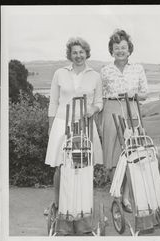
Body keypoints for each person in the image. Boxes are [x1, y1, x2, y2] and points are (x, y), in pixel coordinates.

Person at [45, 37, 103, 209]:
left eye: (81, 52)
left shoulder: (95, 76)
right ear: (70, 55)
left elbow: (99, 102)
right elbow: (53, 102)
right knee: (61, 165)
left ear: (87, 53)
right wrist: (50, 126)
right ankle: (57, 203)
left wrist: (93, 110)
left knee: (84, 165)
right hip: (62, 123)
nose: (78, 55)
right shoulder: (60, 73)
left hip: (85, 126)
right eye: (74, 52)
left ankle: (84, 205)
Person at [100, 29, 148, 213]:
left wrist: (133, 94)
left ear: (129, 49)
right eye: (116, 47)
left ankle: (126, 196)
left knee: (132, 154)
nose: (120, 50)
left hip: (132, 111)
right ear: (111, 50)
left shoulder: (138, 69)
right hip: (111, 111)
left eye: (123, 47)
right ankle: (116, 193)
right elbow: (100, 96)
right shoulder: (105, 70)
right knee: (112, 155)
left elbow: (145, 94)